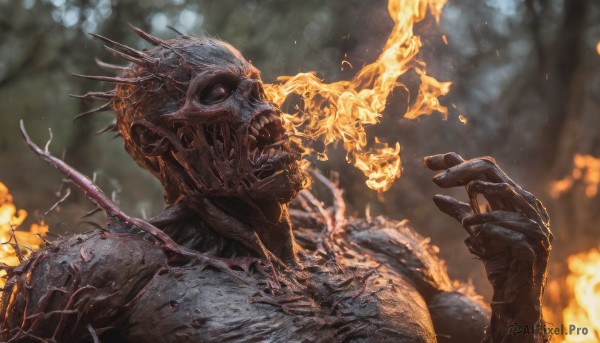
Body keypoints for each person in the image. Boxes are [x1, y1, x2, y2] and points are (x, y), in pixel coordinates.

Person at [1, 28, 552, 343]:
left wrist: (519, 292)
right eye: (217, 93)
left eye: (258, 87)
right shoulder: (101, 276)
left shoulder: (383, 252)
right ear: (152, 142)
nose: (263, 108)